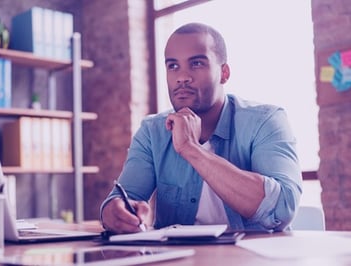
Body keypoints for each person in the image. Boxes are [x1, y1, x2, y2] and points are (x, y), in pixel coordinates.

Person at [100, 22, 302, 234]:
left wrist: (191, 149)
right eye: (173, 66)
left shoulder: (266, 121)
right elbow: (124, 197)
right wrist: (112, 213)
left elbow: (283, 209)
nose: (182, 77)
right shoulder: (152, 131)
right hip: (178, 259)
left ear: (224, 73)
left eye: (196, 64)